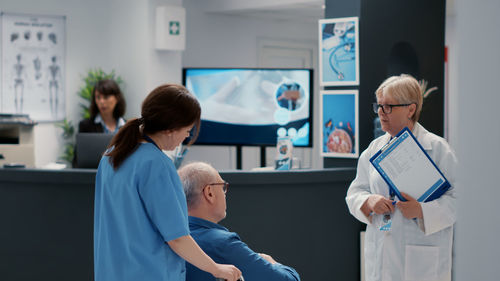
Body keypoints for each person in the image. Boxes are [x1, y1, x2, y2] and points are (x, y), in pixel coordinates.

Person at [93, 84, 241, 281]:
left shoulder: (110, 157)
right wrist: (217, 269)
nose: (187, 136)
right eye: (188, 130)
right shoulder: (157, 165)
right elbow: (178, 238)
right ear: (171, 129)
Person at [345, 74, 457, 281]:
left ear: (411, 109)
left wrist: (422, 210)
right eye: (379, 106)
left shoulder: (438, 149)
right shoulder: (373, 149)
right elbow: (355, 192)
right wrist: (368, 201)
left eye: (388, 107)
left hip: (421, 259)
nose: (381, 113)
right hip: (381, 250)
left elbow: (459, 202)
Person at [178, 162, 301, 281]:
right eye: (223, 187)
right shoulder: (222, 244)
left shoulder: (169, 238)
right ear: (209, 192)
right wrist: (272, 263)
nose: (225, 194)